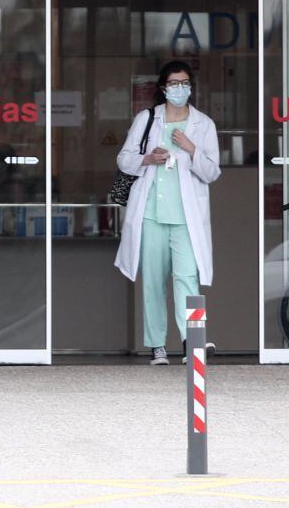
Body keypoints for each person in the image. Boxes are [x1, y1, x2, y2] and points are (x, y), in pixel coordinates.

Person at [114, 61, 221, 365]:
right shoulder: (147, 119)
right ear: (163, 88)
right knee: (153, 281)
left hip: (186, 217)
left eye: (184, 83)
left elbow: (212, 172)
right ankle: (157, 346)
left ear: (191, 87)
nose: (179, 89)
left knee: (187, 278)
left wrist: (191, 148)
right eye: (174, 83)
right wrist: (149, 159)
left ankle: (192, 342)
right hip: (151, 214)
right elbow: (124, 159)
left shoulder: (203, 124)